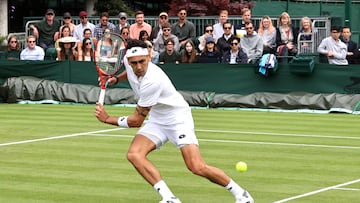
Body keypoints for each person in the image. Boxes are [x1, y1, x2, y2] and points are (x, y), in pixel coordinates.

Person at [94, 39, 254, 203]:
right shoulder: (131, 62)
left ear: (149, 57)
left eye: (142, 61)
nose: (139, 67)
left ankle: (241, 194)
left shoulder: (152, 82)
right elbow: (129, 72)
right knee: (134, 155)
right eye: (134, 63)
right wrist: (115, 79)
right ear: (128, 61)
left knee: (196, 166)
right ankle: (169, 198)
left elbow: (136, 121)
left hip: (178, 119)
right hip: (157, 118)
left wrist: (107, 118)